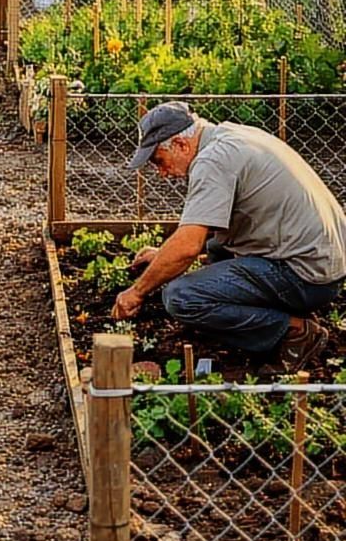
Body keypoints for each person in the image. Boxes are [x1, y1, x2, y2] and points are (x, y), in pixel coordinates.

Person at [112, 101, 346, 372]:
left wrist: (137, 292)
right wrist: (162, 257)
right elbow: (207, 230)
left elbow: (187, 246)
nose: (162, 174)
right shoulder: (234, 136)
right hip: (324, 263)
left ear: (180, 144)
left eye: (159, 161)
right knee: (216, 247)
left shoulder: (213, 161)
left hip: (307, 276)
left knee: (181, 296)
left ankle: (295, 330)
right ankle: (272, 312)